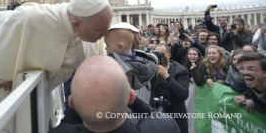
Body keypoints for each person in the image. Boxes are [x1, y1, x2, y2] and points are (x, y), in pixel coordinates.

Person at [0, 0, 114, 132]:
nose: (105, 34)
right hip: (11, 94)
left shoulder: (91, 25)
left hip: (44, 94)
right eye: (101, 29)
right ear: (76, 25)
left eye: (108, 27)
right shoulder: (32, 17)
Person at [50, 55, 181, 133]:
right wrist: (131, 98)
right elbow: (153, 116)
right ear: (131, 97)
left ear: (72, 103)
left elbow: (67, 121)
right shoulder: (162, 127)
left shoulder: (62, 131)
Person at [104, 22, 157, 102]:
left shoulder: (119, 68)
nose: (105, 49)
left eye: (107, 45)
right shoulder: (144, 60)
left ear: (120, 47)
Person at [150, 44, 189, 133]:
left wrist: (167, 76)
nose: (159, 56)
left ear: (169, 55)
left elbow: (183, 94)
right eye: (156, 53)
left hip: (175, 112)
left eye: (162, 53)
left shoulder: (181, 70)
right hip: (155, 110)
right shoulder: (151, 67)